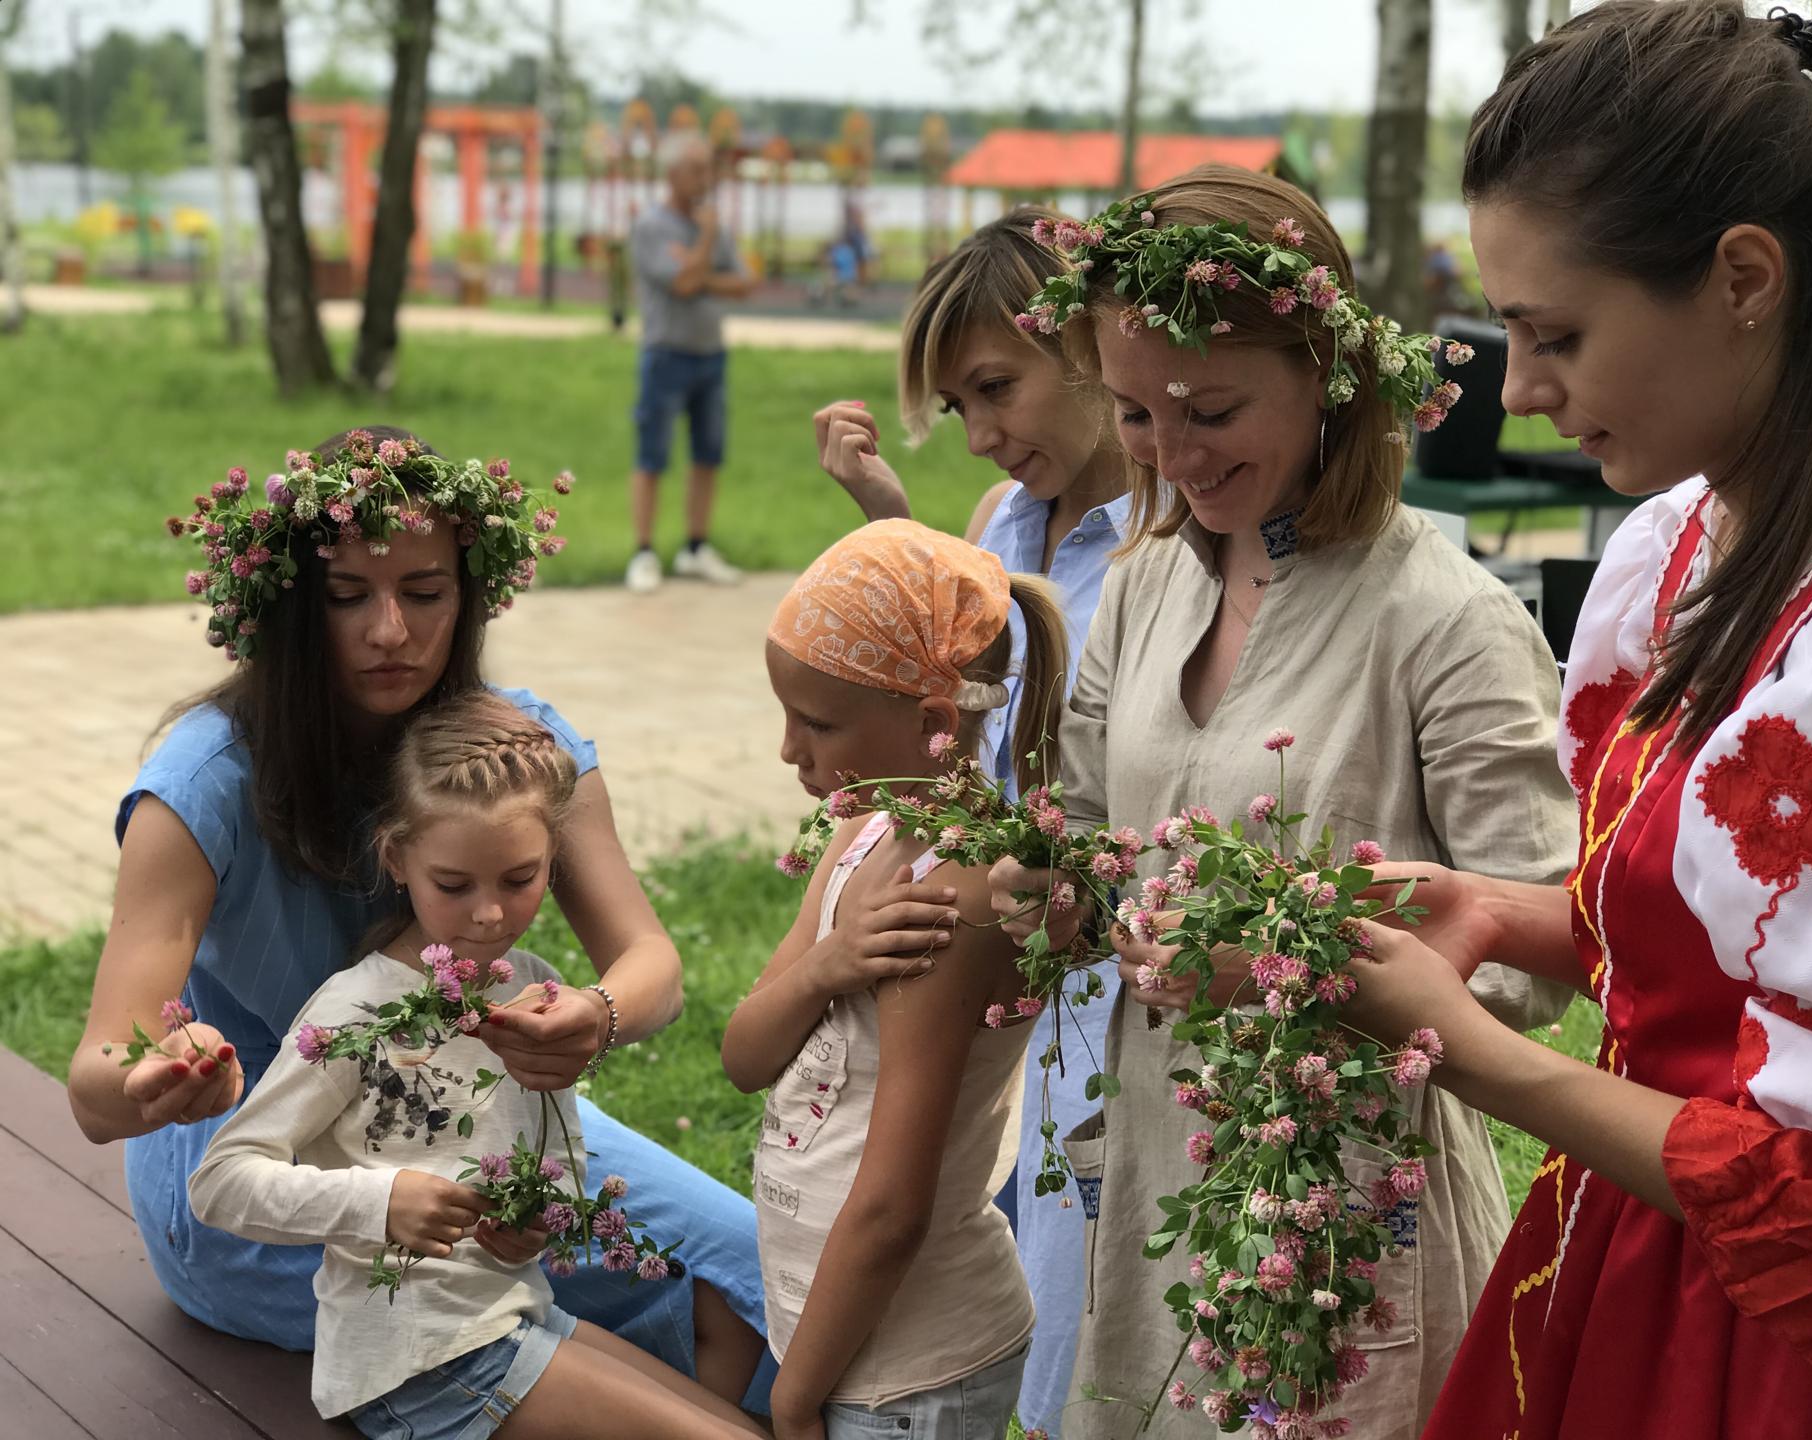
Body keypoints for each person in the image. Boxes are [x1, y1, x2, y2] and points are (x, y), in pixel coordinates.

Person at [1334, 5, 1812, 1434]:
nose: (1523, 392)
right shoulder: (1683, 549)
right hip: (1652, 1263)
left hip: (1797, 1352)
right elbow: (1720, 970)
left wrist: (1477, 1057)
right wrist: (1496, 907)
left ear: (1743, 278)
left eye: (1556, 336)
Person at [988, 165, 1576, 1438]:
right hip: (1160, 1177)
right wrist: (1050, 893)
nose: (1172, 455)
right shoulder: (1146, 584)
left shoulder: (1444, 618)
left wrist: (1297, 976)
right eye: (1137, 415)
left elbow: (1543, 947)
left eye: (1210, 409)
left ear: (1330, 376)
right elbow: (1093, 831)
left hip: (1351, 1215)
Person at [66, 427, 771, 1411]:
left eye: (425, 592)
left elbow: (649, 960)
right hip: (273, 1188)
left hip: (477, 1121)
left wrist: (597, 1016)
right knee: (519, 1319)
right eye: (348, 596)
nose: (390, 630)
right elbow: (97, 1083)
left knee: (757, 1276)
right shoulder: (200, 785)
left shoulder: (520, 751)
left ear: (470, 594)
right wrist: (161, 1081)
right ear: (291, 608)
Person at [191, 691, 765, 1440]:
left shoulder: (533, 989)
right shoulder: (356, 1010)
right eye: (454, 886)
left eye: (520, 880)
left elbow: (553, 1163)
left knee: (737, 1374)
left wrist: (531, 1225)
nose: (489, 914)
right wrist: (381, 1201)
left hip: (515, 1317)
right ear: (397, 858)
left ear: (554, 861)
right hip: (419, 1361)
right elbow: (221, 1182)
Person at [810, 208, 1131, 1436]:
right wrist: (892, 525)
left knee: (1070, 1234)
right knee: (959, 1214)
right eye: (959, 407)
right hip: (987, 947)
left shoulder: (1164, 543)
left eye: (998, 388)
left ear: (1094, 347)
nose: (985, 432)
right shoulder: (1002, 521)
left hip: (1093, 953)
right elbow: (974, 691)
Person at [723, 520, 1068, 1440]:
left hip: (909, 1377)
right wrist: (826, 968)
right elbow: (745, 1054)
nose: (791, 750)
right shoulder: (864, 832)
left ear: (931, 724)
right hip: (848, 1350)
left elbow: (891, 1207)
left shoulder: (954, 897)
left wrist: (794, 1403)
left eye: (820, 723)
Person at [626, 131, 754, 594]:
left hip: (710, 356)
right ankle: (643, 552)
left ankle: (696, 547)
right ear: (672, 173)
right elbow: (679, 284)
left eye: (709, 168)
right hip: (665, 355)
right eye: (698, 169)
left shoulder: (714, 226)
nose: (707, 178)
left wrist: (700, 272)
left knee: (708, 454)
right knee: (652, 455)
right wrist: (703, 246)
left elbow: (743, 283)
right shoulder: (652, 227)